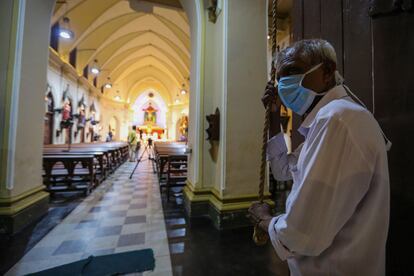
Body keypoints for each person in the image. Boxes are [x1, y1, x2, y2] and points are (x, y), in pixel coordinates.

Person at [248, 39, 391, 276]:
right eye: (280, 77)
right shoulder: (330, 118)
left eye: (293, 71)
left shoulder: (336, 119)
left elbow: (300, 234)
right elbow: (284, 170)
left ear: (326, 72)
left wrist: (264, 220)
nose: (284, 84)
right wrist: (274, 118)